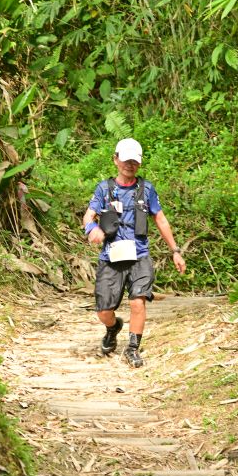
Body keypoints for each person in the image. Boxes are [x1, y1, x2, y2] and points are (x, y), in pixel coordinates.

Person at [82, 138, 186, 368]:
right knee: (104, 310)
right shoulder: (104, 189)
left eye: (134, 161)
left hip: (139, 255)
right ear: (115, 160)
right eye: (126, 160)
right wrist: (93, 229)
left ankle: (132, 348)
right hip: (111, 256)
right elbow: (89, 215)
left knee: (138, 301)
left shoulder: (146, 189)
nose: (130, 165)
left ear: (139, 163)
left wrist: (175, 251)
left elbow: (160, 219)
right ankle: (112, 328)